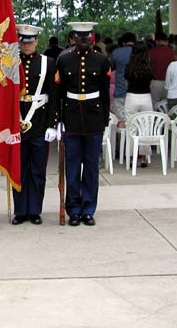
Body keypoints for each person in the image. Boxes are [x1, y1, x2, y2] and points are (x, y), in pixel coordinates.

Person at [56, 21, 110, 227]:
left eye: (87, 37)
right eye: (80, 37)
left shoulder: (101, 60)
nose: (84, 40)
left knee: (91, 168)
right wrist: (59, 120)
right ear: (73, 39)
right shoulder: (64, 60)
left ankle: (88, 209)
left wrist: (104, 119)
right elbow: (60, 93)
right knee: (72, 168)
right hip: (71, 118)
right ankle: (73, 210)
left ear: (92, 38)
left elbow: (104, 93)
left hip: (94, 118)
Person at [12, 24, 57, 226]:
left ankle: (35, 210)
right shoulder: (11, 63)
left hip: (39, 122)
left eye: (30, 42)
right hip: (17, 122)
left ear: (37, 41)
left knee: (38, 171)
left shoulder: (49, 63)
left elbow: (54, 95)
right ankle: (20, 211)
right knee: (18, 170)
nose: (26, 46)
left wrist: (52, 124)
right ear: (19, 42)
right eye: (23, 42)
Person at [124, 42, 154, 167]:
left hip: (132, 96)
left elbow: (126, 83)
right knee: (145, 127)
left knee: (131, 126)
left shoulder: (129, 66)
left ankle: (132, 156)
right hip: (146, 96)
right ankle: (143, 157)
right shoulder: (149, 66)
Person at [109, 32, 136, 127]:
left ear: (123, 42)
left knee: (121, 120)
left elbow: (111, 67)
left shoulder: (117, 52)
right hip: (136, 93)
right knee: (135, 120)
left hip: (120, 91)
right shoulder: (140, 52)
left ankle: (123, 136)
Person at [148, 31, 175, 105]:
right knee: (166, 104)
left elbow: (148, 67)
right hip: (169, 82)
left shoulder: (151, 52)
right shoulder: (172, 52)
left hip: (155, 82)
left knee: (154, 104)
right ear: (167, 41)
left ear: (156, 41)